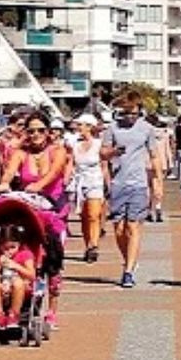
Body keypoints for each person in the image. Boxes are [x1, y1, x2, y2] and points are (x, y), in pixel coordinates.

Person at [0, 111, 69, 327]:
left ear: (48, 132)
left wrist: (39, 186)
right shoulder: (21, 153)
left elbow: (55, 173)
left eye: (40, 130)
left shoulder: (58, 151)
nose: (36, 134)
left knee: (52, 260)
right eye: (31, 131)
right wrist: (4, 183)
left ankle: (52, 310)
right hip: (30, 207)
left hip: (53, 207)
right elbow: (9, 173)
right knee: (26, 252)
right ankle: (22, 300)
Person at [101, 91, 162, 288]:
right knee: (119, 229)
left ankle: (128, 271)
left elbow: (154, 156)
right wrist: (113, 152)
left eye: (134, 113)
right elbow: (102, 153)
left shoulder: (147, 129)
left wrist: (157, 183)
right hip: (118, 183)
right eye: (126, 113)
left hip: (138, 184)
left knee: (133, 226)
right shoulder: (112, 129)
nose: (130, 117)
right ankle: (129, 259)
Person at [0, 221, 37, 331]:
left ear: (19, 244)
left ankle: (14, 314)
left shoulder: (25, 255)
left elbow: (32, 275)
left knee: (18, 282)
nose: (9, 251)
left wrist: (16, 266)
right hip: (0, 287)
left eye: (13, 247)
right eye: (5, 248)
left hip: (20, 288)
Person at [72, 113, 106, 263]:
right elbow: (71, 164)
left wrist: (107, 183)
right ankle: (88, 245)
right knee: (84, 217)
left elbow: (105, 165)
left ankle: (94, 245)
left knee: (94, 215)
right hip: (80, 183)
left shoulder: (99, 144)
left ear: (89, 127)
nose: (79, 128)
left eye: (81, 125)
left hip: (95, 182)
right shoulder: (74, 144)